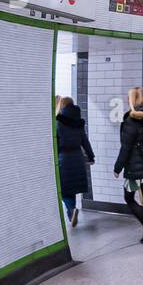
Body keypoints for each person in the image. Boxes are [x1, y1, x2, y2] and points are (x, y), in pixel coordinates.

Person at [113, 87, 143, 243]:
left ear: (131, 100)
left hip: (135, 167)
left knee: (129, 198)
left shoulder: (130, 120)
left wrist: (117, 168)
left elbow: (126, 148)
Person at [55, 96, 95, 227]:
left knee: (63, 189)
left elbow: (54, 142)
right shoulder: (78, 122)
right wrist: (91, 156)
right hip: (78, 157)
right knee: (70, 188)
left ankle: (71, 210)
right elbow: (85, 140)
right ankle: (72, 210)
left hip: (64, 159)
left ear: (62, 106)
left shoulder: (58, 122)